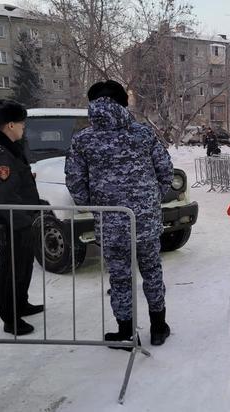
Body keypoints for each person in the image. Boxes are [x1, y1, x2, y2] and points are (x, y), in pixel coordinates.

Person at [65, 80, 174, 348]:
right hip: (145, 221)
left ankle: (125, 332)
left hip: (111, 222)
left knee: (120, 277)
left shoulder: (83, 139)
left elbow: (75, 182)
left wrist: (95, 207)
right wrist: (151, 198)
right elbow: (165, 170)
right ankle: (158, 328)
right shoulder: (143, 133)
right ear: (124, 103)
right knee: (152, 272)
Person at [0, 99, 43, 336]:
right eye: (22, 124)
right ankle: (10, 317)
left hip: (20, 220)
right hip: (12, 222)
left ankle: (20, 303)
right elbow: (5, 196)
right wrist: (24, 220)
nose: (24, 128)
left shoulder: (7, 147)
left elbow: (16, 185)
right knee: (11, 269)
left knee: (23, 265)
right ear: (11, 125)